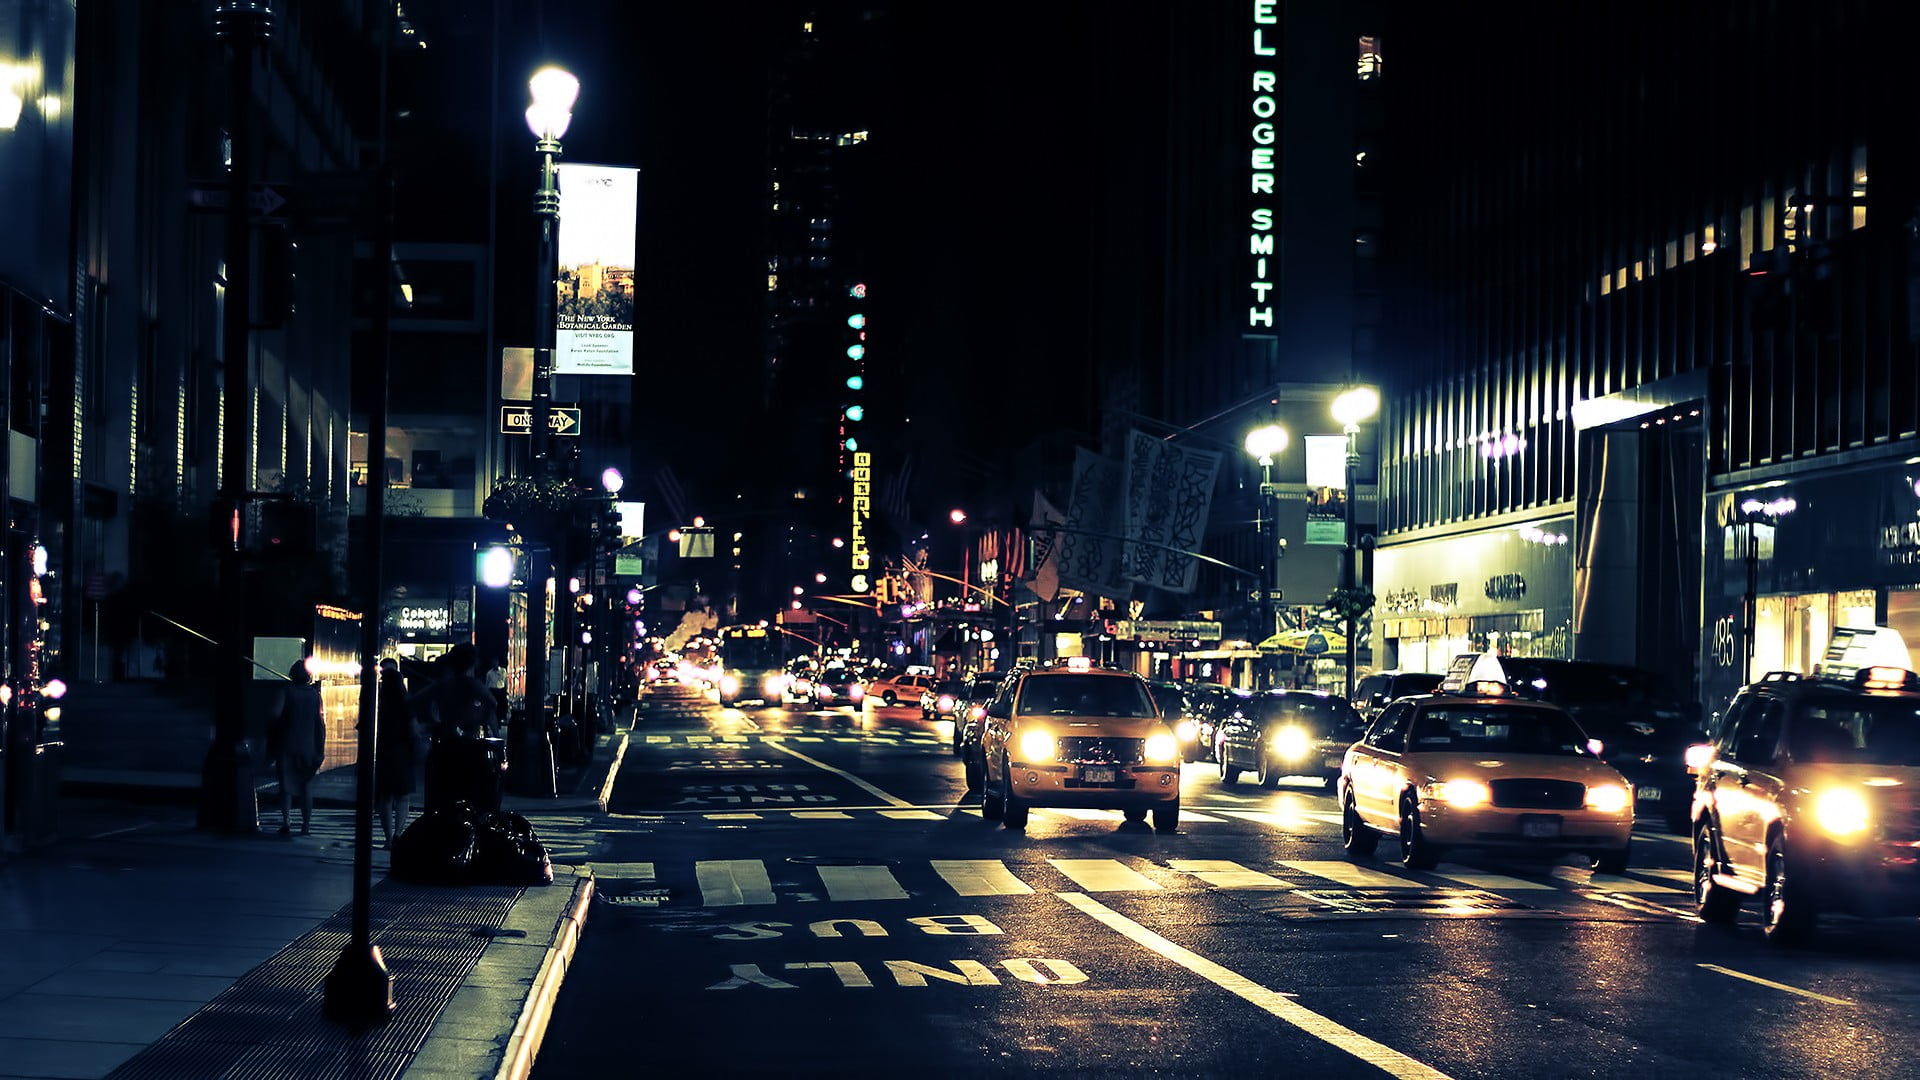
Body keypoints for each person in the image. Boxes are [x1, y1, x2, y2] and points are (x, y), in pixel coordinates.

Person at [267, 657, 326, 837]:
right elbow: (320, 722)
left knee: (286, 786)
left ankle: (286, 822)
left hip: (287, 744)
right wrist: (320, 747)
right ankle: (305, 825)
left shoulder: (286, 691)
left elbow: (275, 714)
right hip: (308, 746)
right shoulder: (315, 695)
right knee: (306, 786)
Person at [373, 657, 420, 847]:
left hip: (385, 749)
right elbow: (413, 728)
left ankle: (388, 837)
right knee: (402, 796)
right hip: (403, 749)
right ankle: (398, 833)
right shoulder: (406, 701)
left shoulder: (381, 702)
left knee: (386, 797)